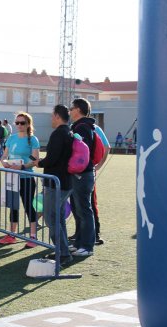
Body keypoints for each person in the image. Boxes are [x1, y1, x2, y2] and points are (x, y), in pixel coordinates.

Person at [33, 105, 74, 266]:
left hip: (56, 183)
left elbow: (53, 158)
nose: (51, 119)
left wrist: (40, 162)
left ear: (57, 116)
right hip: (65, 182)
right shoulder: (69, 132)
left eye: (52, 116)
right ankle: (63, 250)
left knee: (50, 218)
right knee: (58, 218)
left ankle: (63, 252)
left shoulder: (59, 133)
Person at [0, 112, 40, 248]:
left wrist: (22, 166)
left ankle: (33, 237)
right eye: (17, 123)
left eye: (22, 123)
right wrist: (4, 162)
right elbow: (4, 156)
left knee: (29, 207)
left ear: (28, 124)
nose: (19, 125)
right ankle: (12, 235)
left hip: (26, 178)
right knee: (13, 206)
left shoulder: (33, 139)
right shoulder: (11, 138)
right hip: (12, 178)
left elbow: (35, 160)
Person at [69, 98, 97, 257]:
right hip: (80, 173)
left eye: (71, 108)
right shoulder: (82, 126)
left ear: (78, 109)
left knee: (84, 210)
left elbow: (80, 152)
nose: (69, 111)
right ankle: (79, 242)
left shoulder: (83, 128)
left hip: (82, 174)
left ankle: (87, 246)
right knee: (78, 210)